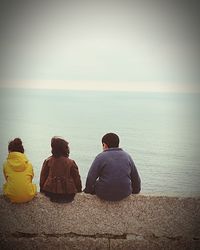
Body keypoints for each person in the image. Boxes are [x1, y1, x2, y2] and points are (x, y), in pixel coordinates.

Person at [84, 132, 141, 201]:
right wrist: (136, 191)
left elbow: (91, 178)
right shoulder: (127, 156)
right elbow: (135, 178)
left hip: (104, 194)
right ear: (118, 144)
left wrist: (87, 191)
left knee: (97, 183)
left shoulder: (100, 157)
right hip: (124, 193)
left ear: (104, 145)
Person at [40, 136, 82, 203]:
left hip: (50, 193)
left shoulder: (48, 161)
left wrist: (42, 190)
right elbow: (77, 179)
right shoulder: (71, 162)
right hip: (68, 195)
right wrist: (79, 190)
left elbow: (43, 178)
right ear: (65, 149)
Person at [3, 138, 37, 203]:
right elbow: (30, 180)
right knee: (33, 186)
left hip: (12, 196)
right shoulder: (29, 164)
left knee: (5, 186)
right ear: (22, 151)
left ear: (9, 151)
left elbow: (7, 179)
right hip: (29, 195)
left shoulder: (5, 164)